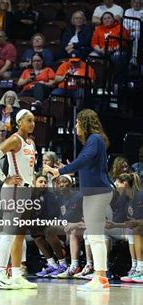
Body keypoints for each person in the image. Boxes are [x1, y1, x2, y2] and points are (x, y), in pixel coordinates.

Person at [45, 109, 113, 291]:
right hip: (94, 192)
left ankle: (100, 277)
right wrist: (68, 168)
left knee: (96, 237)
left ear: (84, 123)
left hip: (97, 193)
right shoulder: (94, 141)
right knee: (94, 235)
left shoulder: (94, 139)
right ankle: (101, 277)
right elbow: (85, 163)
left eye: (77, 123)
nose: (75, 126)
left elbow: (84, 159)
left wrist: (60, 171)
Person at [0, 109, 37, 289]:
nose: (32, 124)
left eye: (33, 121)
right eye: (29, 121)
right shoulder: (15, 139)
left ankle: (16, 275)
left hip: (25, 190)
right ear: (19, 122)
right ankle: (0, 274)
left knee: (19, 235)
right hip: (13, 190)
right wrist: (4, 178)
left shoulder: (30, 142)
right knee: (8, 232)